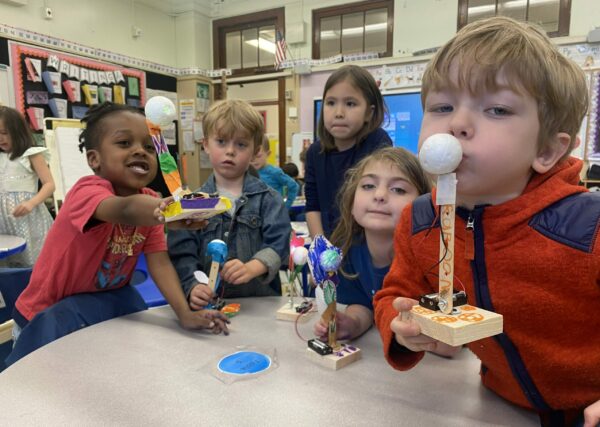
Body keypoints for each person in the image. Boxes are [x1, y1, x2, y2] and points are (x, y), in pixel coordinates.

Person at [372, 17, 599, 427]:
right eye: (441, 107)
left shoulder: (588, 228)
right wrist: (399, 325)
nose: (456, 124)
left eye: (496, 109)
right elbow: (394, 295)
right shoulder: (421, 219)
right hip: (497, 405)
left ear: (547, 149)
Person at [11, 103, 229, 360]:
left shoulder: (150, 201)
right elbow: (124, 209)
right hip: (45, 316)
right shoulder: (86, 192)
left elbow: (159, 264)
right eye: (124, 143)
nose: (140, 151)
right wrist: (165, 213)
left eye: (149, 147)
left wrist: (184, 314)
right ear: (95, 159)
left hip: (98, 311)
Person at [168, 99, 291, 308]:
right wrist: (192, 286)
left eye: (241, 144)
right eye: (222, 142)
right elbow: (182, 254)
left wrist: (254, 266)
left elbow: (279, 244)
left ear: (254, 151)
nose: (231, 151)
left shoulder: (269, 199)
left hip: (260, 306)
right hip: (210, 308)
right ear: (206, 144)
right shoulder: (191, 204)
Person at [313, 147, 431, 341]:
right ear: (351, 202)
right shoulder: (349, 250)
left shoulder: (430, 260)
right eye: (368, 186)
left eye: (398, 189)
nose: (380, 195)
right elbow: (365, 305)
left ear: (423, 206)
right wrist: (352, 323)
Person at [304, 64, 392, 238]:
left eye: (350, 104)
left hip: (367, 243)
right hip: (330, 244)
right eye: (330, 103)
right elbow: (313, 206)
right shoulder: (315, 152)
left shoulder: (377, 142)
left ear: (369, 113)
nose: (338, 113)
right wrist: (320, 247)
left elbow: (380, 202)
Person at [0, 106, 54, 267]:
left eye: (5, 133)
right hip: (3, 219)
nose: (1, 138)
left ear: (17, 131)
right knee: (7, 260)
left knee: (32, 259)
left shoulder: (31, 154)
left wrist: (31, 203)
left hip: (29, 219)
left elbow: (50, 184)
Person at [251, 135, 299, 209]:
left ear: (268, 153)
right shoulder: (247, 172)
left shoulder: (274, 172)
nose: (253, 160)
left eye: (258, 156)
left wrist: (286, 207)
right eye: (250, 156)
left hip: (273, 214)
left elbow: (294, 186)